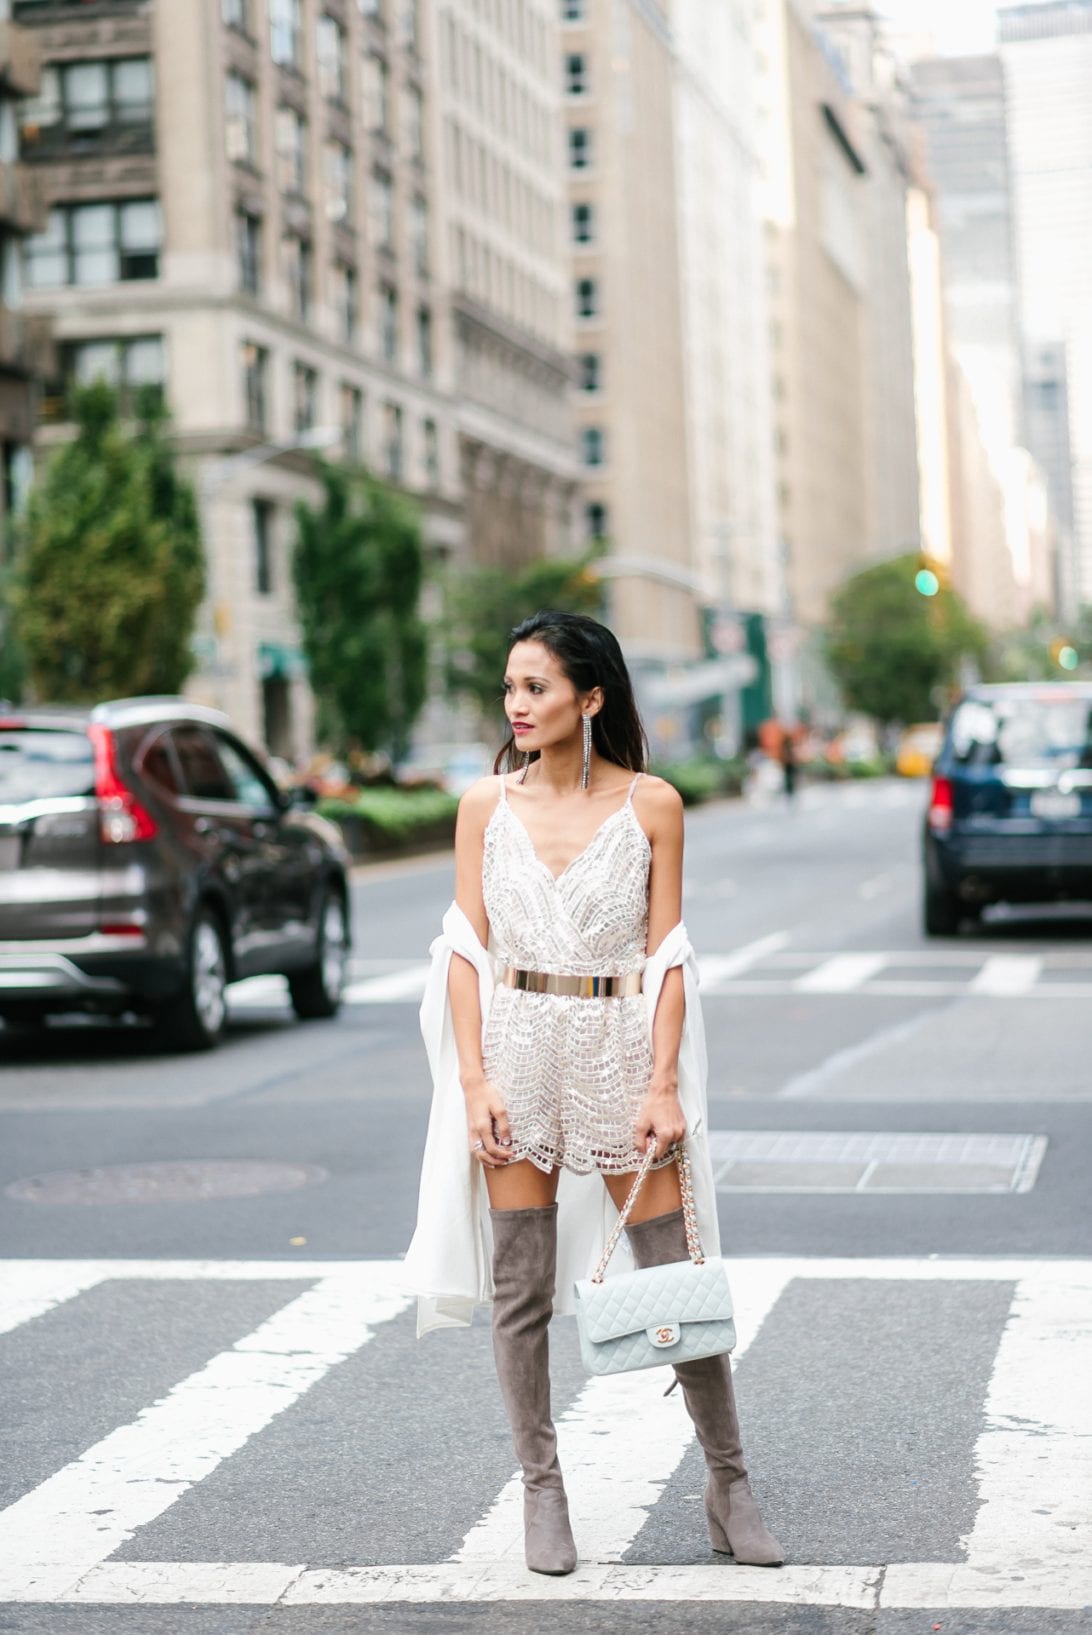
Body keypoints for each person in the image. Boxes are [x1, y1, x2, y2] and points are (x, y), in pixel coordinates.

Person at [403, 610, 782, 1576]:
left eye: (535, 687)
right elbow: (464, 951)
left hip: (619, 1049)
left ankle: (728, 1480)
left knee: (673, 1277)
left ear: (591, 695)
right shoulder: (484, 805)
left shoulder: (653, 804)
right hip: (518, 1047)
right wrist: (476, 1078)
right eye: (509, 689)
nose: (516, 705)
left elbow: (667, 956)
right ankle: (543, 1489)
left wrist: (664, 1086)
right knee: (519, 1287)